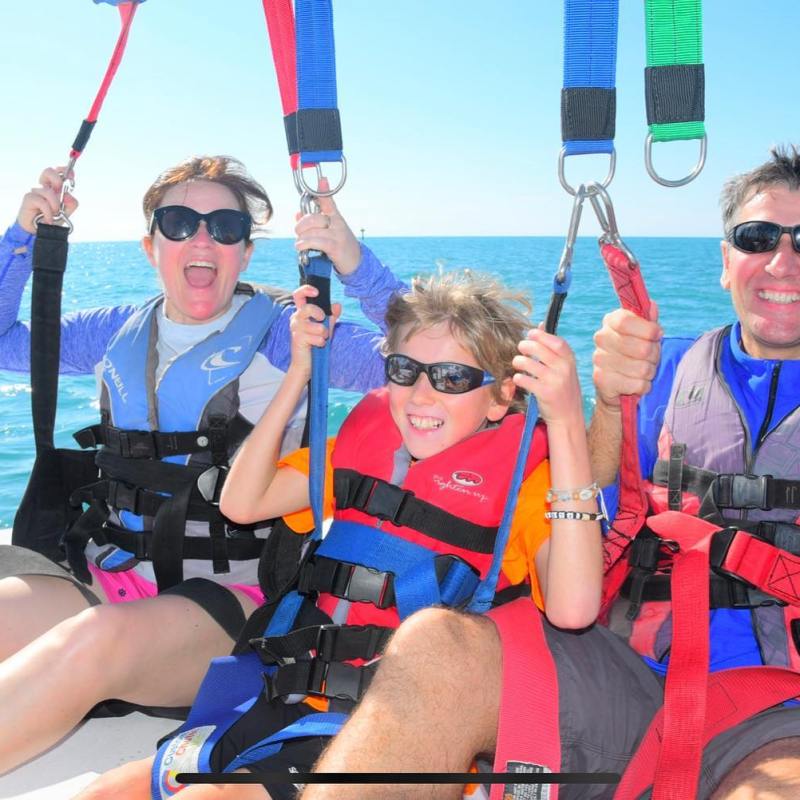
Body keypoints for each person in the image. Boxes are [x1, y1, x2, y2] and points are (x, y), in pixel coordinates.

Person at [295, 146, 800, 800]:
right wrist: (611, 400)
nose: (782, 259)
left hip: (777, 714)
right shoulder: (657, 367)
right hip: (623, 677)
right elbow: (567, 475)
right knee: (437, 647)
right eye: (757, 237)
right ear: (726, 261)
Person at [74, 268, 603, 799]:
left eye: (451, 377)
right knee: (107, 791)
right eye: (404, 370)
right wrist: (298, 374)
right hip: (291, 698)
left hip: (389, 729)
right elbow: (242, 502)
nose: (421, 395)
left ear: (500, 396)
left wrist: (563, 422)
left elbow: (573, 610)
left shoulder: (527, 489)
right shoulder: (356, 455)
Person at [0, 155, 403, 774]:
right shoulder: (113, 330)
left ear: (245, 252)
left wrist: (354, 263)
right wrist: (23, 240)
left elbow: (438, 365)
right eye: (180, 221)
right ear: (150, 245)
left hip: (232, 604)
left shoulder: (288, 335)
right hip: (114, 576)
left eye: (226, 227)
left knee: (95, 641)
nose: (203, 238)